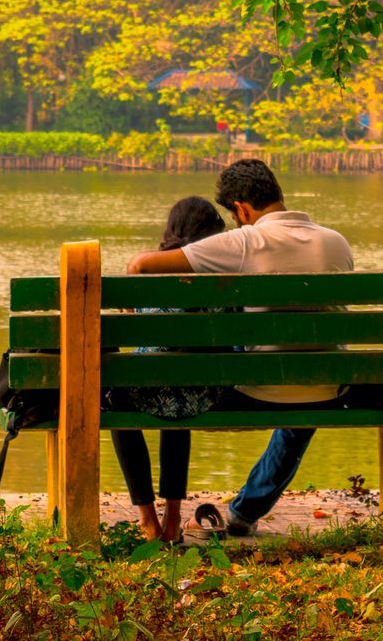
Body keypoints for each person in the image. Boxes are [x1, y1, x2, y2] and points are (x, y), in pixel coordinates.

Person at [125, 159, 353, 536]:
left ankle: (201, 514)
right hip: (328, 389)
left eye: (235, 217)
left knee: (207, 379)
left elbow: (142, 265)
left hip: (257, 391)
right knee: (300, 411)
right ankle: (245, 513)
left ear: (242, 209)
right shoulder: (336, 241)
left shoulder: (244, 241)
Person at [105, 195, 229, 543]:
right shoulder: (223, 270)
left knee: (120, 401)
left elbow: (134, 318)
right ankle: (173, 517)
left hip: (151, 387)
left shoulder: (150, 270)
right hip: (208, 392)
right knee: (180, 392)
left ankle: (147, 519)